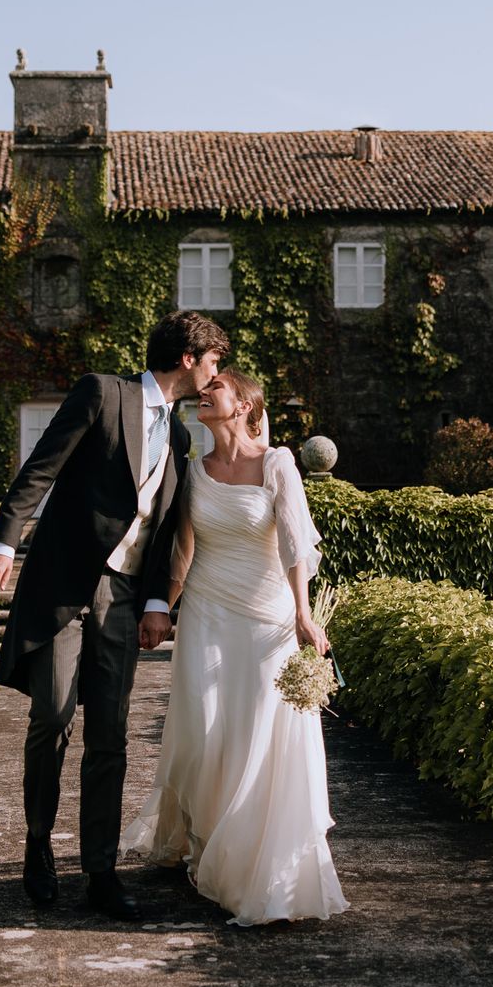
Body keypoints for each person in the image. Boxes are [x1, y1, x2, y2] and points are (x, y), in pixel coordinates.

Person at [0, 311, 227, 921]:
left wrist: (154, 603)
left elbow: (166, 527)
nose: (218, 373)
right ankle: (39, 846)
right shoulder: (102, 392)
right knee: (53, 716)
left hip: (122, 596)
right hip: (64, 583)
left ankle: (101, 871)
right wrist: (3, 542)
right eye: (215, 361)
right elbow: (42, 467)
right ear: (190, 357)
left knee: (110, 737)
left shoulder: (179, 436)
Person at [120, 370, 350, 926]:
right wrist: (161, 608)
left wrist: (302, 614)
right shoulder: (194, 473)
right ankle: (207, 839)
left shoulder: (278, 464)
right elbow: (182, 552)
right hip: (205, 612)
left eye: (217, 385)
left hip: (266, 619)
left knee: (259, 733)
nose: (206, 390)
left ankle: (253, 861)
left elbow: (295, 541)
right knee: (204, 729)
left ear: (244, 403)